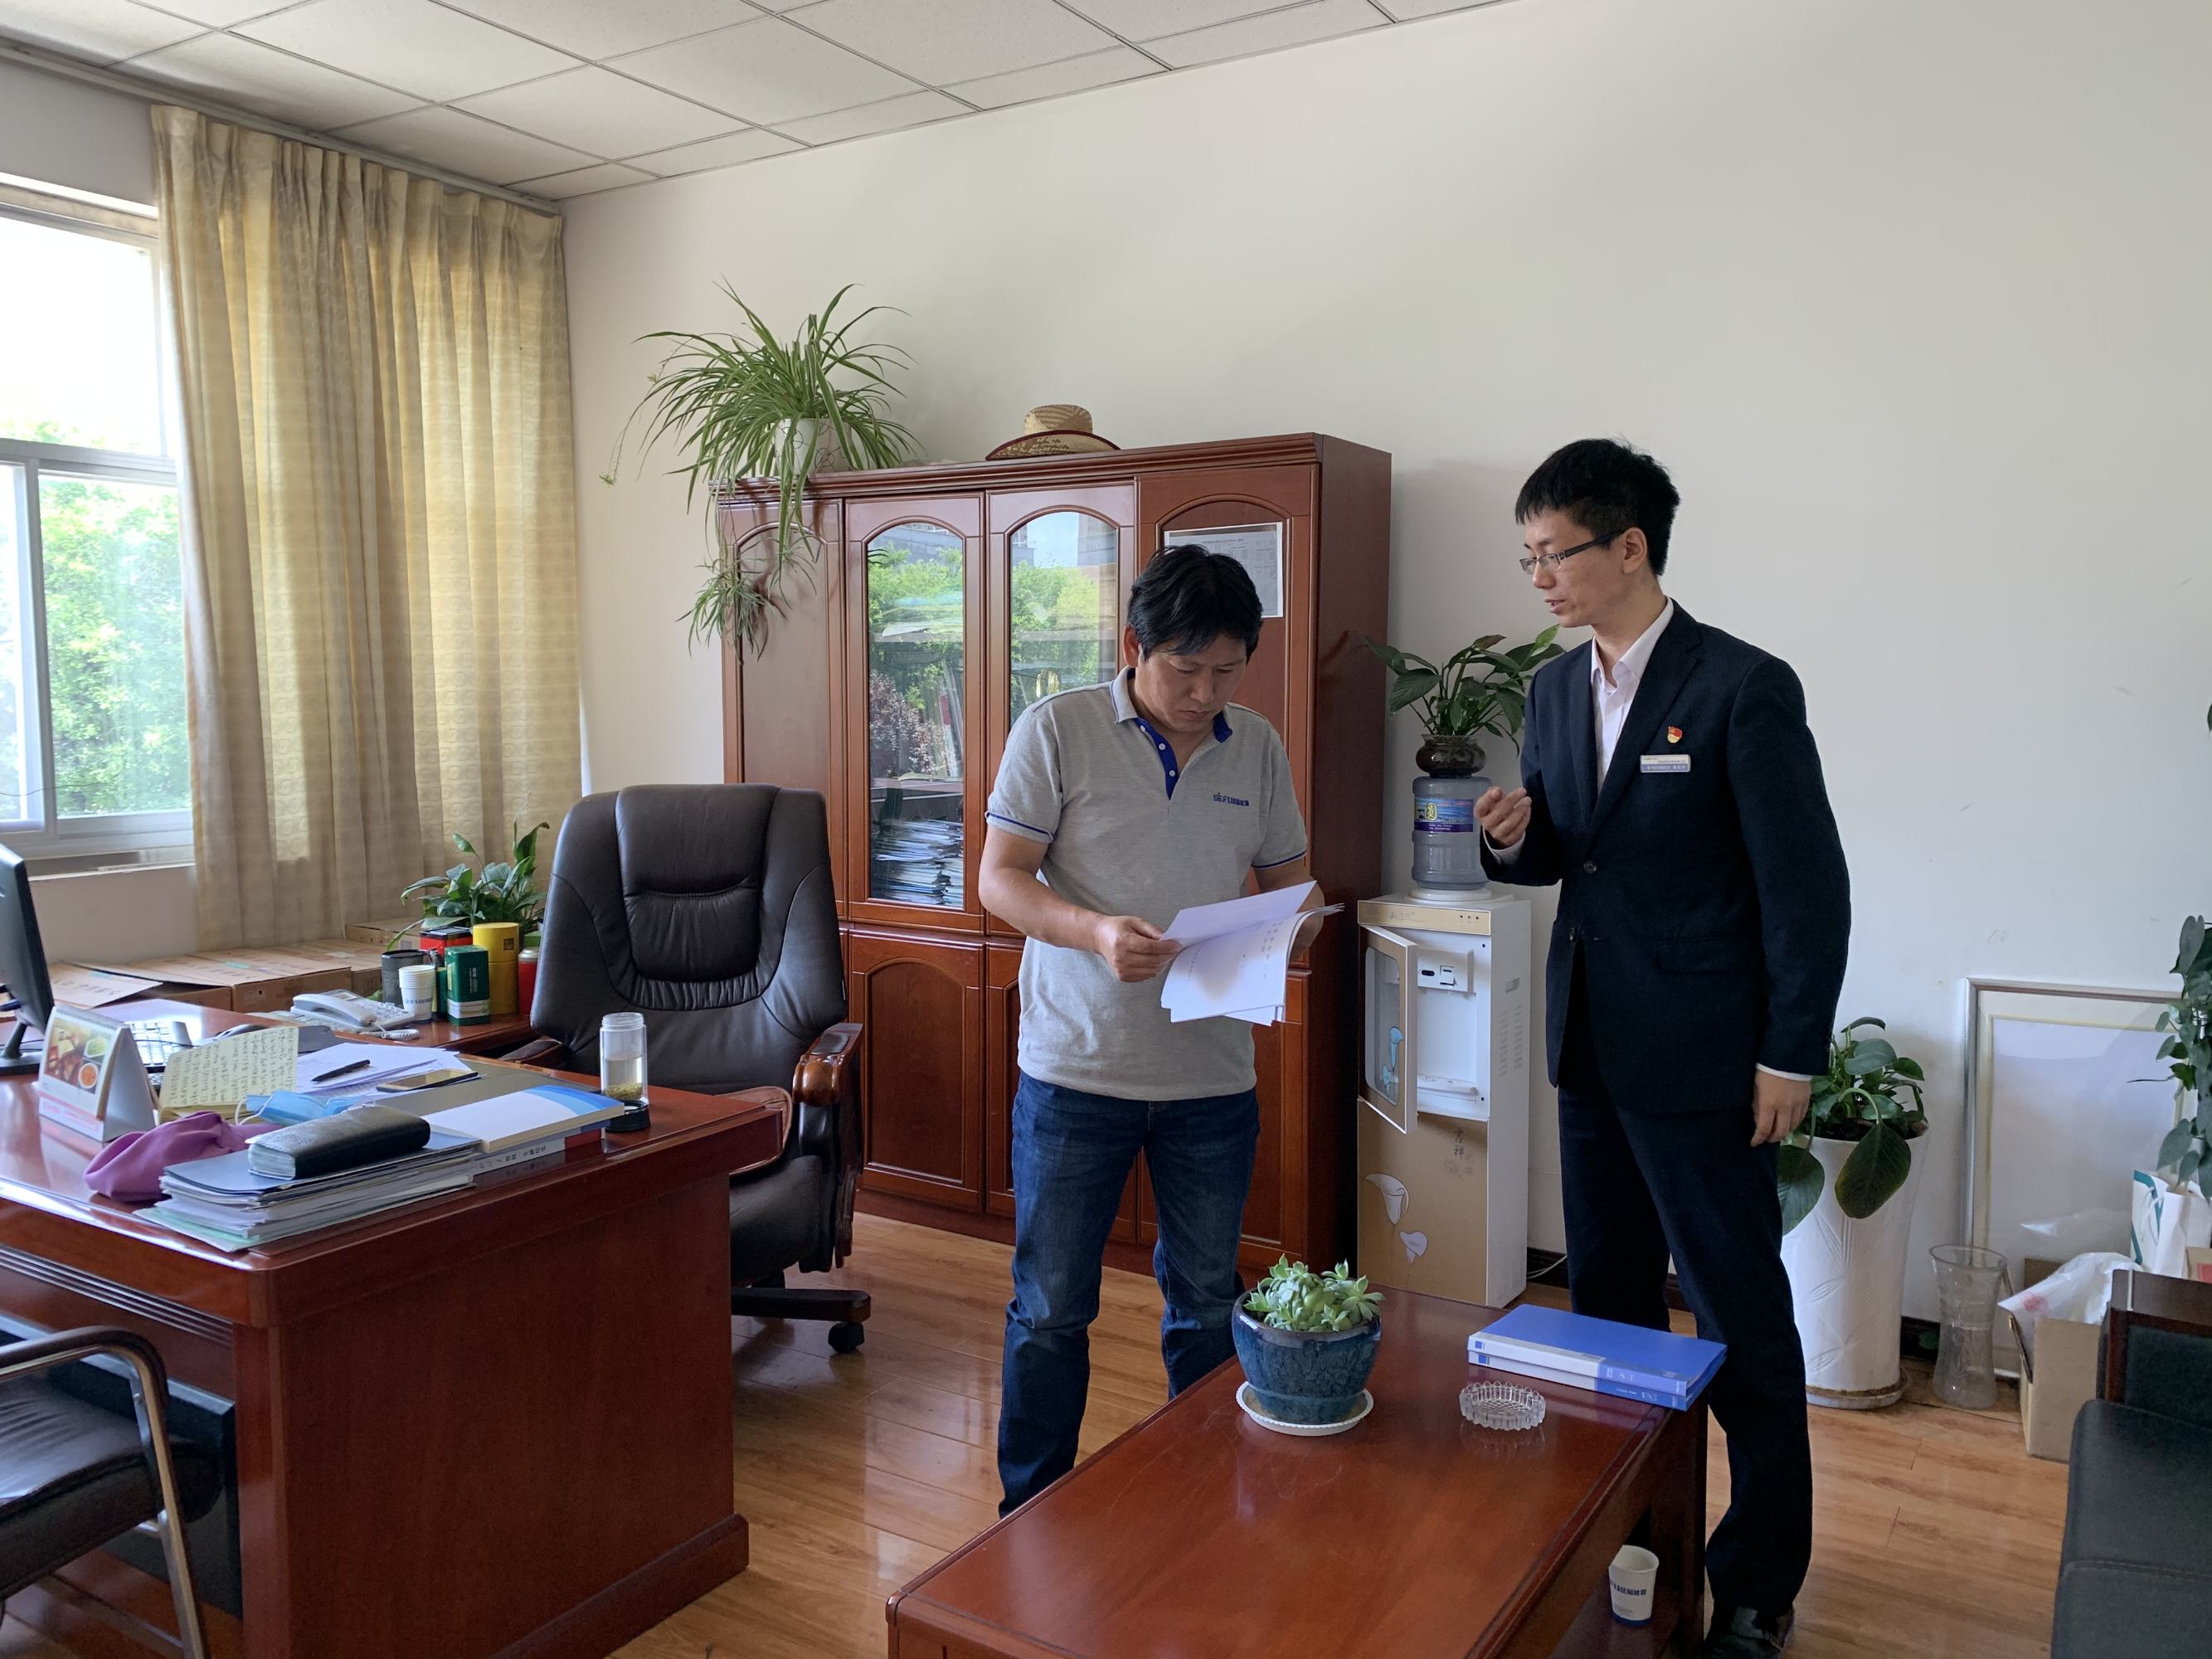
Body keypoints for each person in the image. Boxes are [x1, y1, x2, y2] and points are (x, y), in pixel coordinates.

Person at [1475, 439, 1849, 1659]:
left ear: (1629, 546)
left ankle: (1757, 1581)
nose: (1538, 576)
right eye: (1527, 557)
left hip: (1706, 1062)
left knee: (1739, 1324)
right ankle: (1629, 1540)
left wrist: (1789, 1054)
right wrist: (1509, 837)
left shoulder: (1742, 685)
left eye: (1553, 553)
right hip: (1590, 1047)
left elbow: (1806, 889)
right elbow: (1563, 852)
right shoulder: (1550, 689)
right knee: (1609, 1316)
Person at [980, 543, 1323, 1515]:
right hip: (1076, 1069)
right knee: (1051, 1307)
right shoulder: (1059, 728)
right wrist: (1092, 931)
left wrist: (1295, 926)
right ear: (1134, 647)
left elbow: (1294, 886)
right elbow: (999, 878)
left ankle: (1203, 1502)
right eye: (1186, 668)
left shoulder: (1255, 745)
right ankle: (1031, 1511)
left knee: (1208, 1301)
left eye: (1227, 671)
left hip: (1211, 1078)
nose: (1205, 692)